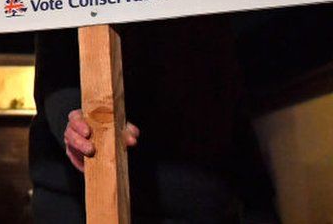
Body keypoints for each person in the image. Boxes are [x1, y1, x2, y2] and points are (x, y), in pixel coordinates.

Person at [28, 16, 278, 223]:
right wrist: (73, 120)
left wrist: (260, 207)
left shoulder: (206, 2)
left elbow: (228, 102)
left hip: (197, 199)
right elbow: (55, 73)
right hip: (77, 200)